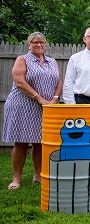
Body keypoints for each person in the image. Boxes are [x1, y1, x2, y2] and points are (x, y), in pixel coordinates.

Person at [2, 32, 62, 190]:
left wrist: (55, 99)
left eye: (42, 42)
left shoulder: (52, 61)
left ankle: (38, 175)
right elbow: (19, 81)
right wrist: (39, 98)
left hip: (45, 107)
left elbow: (59, 82)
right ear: (29, 44)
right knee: (21, 142)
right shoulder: (22, 60)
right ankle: (16, 179)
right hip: (22, 105)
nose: (39, 45)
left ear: (46, 44)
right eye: (35, 42)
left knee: (40, 142)